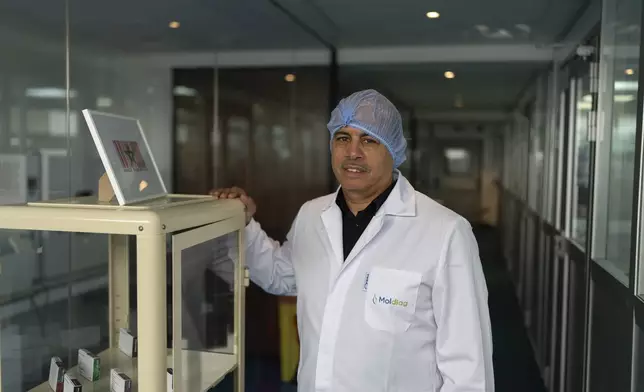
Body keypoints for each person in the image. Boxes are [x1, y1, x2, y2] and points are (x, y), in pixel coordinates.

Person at [211, 89, 494, 392]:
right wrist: (244, 225)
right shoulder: (312, 215)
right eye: (343, 138)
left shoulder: (446, 231)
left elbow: (468, 367)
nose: (353, 152)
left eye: (369, 140)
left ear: (393, 151)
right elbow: (282, 276)